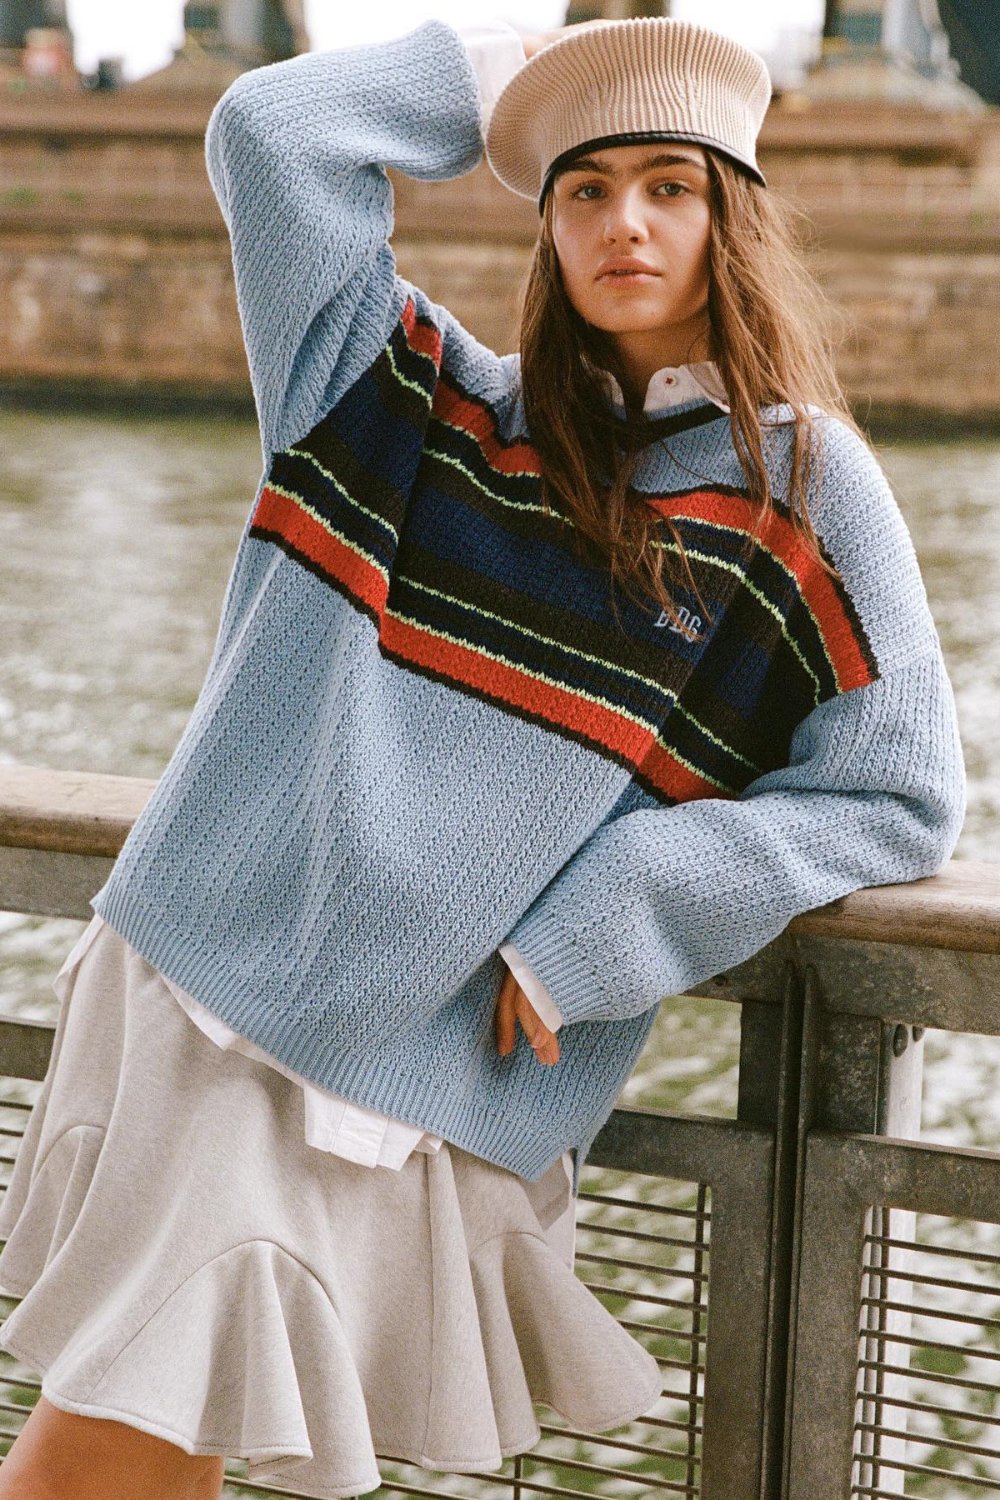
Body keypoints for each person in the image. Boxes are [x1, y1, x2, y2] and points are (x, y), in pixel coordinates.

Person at [0, 14, 966, 1500]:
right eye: (583, 189)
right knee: (110, 1457)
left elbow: (895, 793)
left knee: (136, 1457)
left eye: (668, 184)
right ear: (545, 223)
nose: (624, 223)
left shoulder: (804, 491)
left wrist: (606, 923)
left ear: (731, 214)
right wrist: (489, 67)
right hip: (209, 990)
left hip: (408, 1059)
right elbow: (272, 135)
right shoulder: (400, 392)